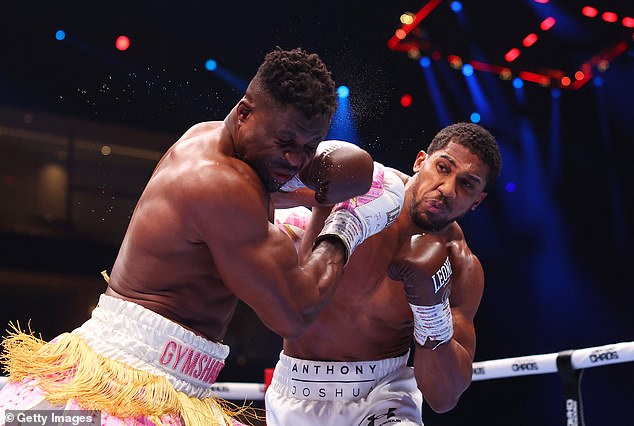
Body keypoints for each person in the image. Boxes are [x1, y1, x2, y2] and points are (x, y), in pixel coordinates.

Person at [0, 47, 404, 426]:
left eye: (308, 146)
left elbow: (301, 185)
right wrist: (345, 227)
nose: (296, 159)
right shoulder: (219, 183)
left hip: (164, 379)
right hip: (125, 381)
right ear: (245, 113)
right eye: (285, 142)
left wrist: (389, 184)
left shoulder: (220, 143)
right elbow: (294, 314)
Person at [266, 122, 502, 425]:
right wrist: (302, 214)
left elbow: (444, 397)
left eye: (467, 185)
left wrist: (432, 312)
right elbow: (259, 193)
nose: (447, 190)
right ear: (420, 162)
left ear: (477, 201)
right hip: (296, 388)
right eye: (443, 168)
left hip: (385, 394)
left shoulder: (460, 266)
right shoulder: (361, 186)